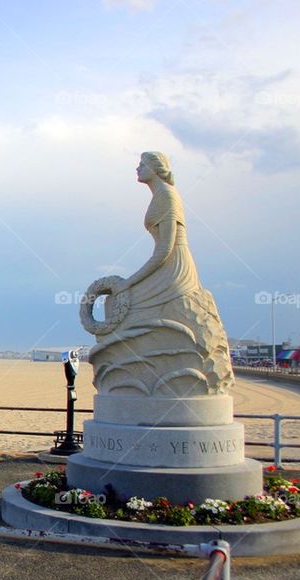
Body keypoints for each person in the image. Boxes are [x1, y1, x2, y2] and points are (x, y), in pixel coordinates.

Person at [83, 152, 233, 398]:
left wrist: (128, 283)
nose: (137, 168)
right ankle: (125, 371)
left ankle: (139, 367)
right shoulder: (159, 196)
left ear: (156, 168)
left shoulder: (166, 196)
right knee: (115, 302)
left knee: (119, 303)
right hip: (165, 263)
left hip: (174, 268)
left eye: (142, 164)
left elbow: (164, 250)